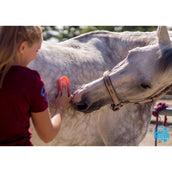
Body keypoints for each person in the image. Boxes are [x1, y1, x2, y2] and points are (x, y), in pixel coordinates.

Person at [0, 26, 72, 146]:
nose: (36, 56)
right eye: (36, 51)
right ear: (22, 47)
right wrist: (60, 108)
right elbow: (48, 135)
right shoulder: (30, 80)